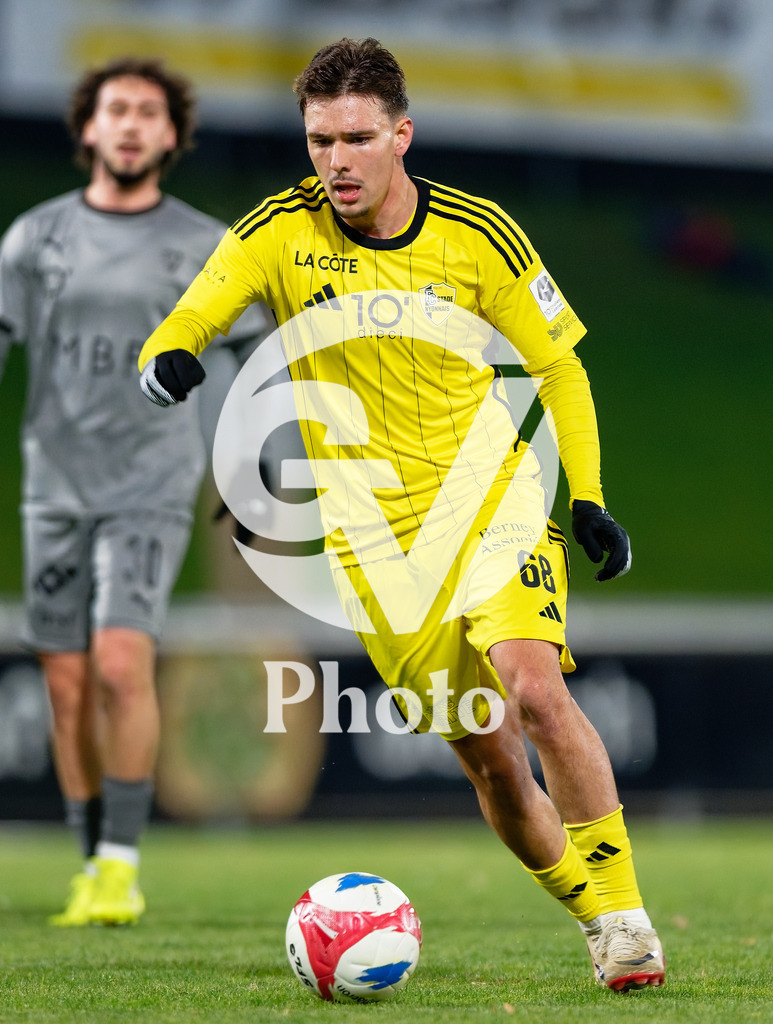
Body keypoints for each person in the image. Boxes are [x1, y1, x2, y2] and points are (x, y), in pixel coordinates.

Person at [138, 38, 665, 991]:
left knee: (536, 692)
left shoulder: (479, 233)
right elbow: (193, 314)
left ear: (401, 135)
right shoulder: (277, 230)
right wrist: (169, 357)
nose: (334, 161)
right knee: (491, 761)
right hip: (374, 545)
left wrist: (585, 496)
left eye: (356, 138)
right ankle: (592, 915)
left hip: (488, 496)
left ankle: (627, 919)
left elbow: (557, 364)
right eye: (317, 140)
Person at [0, 57, 268, 926]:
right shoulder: (32, 239)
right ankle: (90, 853)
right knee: (67, 680)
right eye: (114, 109)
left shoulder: (205, 245)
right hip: (54, 486)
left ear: (171, 137)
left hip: (151, 482)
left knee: (121, 663)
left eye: (147, 112)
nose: (128, 124)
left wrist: (241, 467)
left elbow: (243, 358)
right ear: (86, 129)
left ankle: (119, 865)